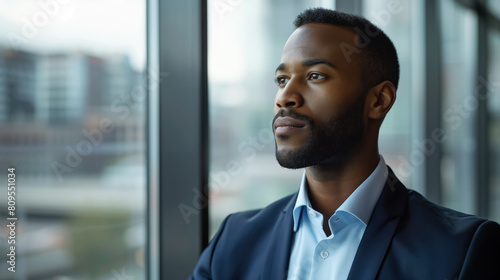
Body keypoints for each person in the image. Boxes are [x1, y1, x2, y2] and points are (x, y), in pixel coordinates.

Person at [190, 8, 500, 280]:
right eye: (282, 79)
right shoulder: (234, 240)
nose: (285, 96)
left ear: (379, 100)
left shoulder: (460, 250)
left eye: (315, 75)